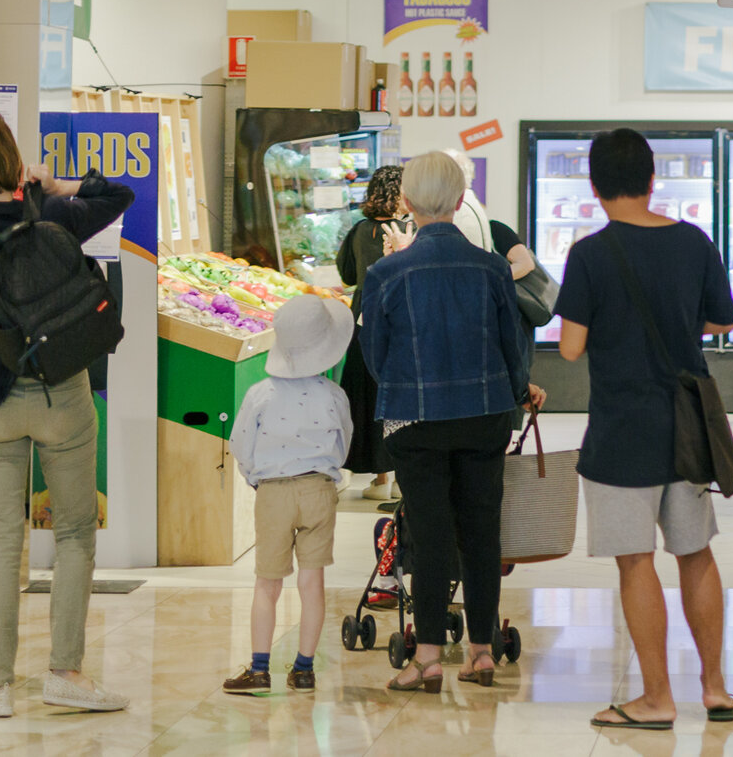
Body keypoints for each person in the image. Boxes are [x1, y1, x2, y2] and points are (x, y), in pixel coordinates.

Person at [0, 112, 135, 719]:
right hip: (60, 397)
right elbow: (120, 193)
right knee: (73, 535)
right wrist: (54, 184)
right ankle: (66, 672)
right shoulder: (47, 213)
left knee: (1, 546)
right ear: (11, 160)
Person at [553, 129, 733, 729]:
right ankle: (715, 689)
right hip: (686, 429)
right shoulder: (693, 241)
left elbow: (572, 349)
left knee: (636, 562)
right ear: (652, 178)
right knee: (696, 554)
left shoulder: (589, 254)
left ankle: (657, 698)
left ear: (595, 184)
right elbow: (719, 320)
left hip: (619, 430)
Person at [359, 151, 541, 692]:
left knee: (431, 531)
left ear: (408, 206)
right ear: (462, 201)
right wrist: (514, 392)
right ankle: (482, 651)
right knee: (482, 531)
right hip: (485, 415)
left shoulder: (385, 272)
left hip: (414, 419)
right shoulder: (490, 268)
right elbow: (513, 348)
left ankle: (430, 656)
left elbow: (375, 353)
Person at [221, 295, 355, 696]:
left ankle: (259, 669)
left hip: (274, 492)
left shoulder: (260, 394)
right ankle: (304, 669)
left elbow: (241, 443)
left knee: (267, 583)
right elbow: (343, 442)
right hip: (319, 488)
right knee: (312, 583)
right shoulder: (333, 394)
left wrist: (255, 478)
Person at [336, 164, 406, 502]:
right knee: (399, 394)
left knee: (368, 395)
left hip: (364, 317)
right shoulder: (411, 231)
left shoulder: (360, 230)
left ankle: (381, 478)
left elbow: (348, 274)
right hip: (401, 321)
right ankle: (402, 478)